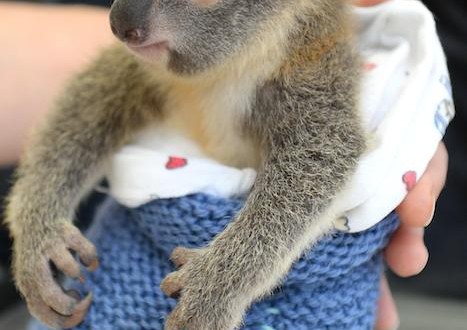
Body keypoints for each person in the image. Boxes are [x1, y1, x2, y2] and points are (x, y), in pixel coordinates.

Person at [0, 1, 450, 329]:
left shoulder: (307, 61)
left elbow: (321, 159)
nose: (123, 23)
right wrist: (36, 215)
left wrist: (228, 278)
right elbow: (90, 109)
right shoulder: (150, 60)